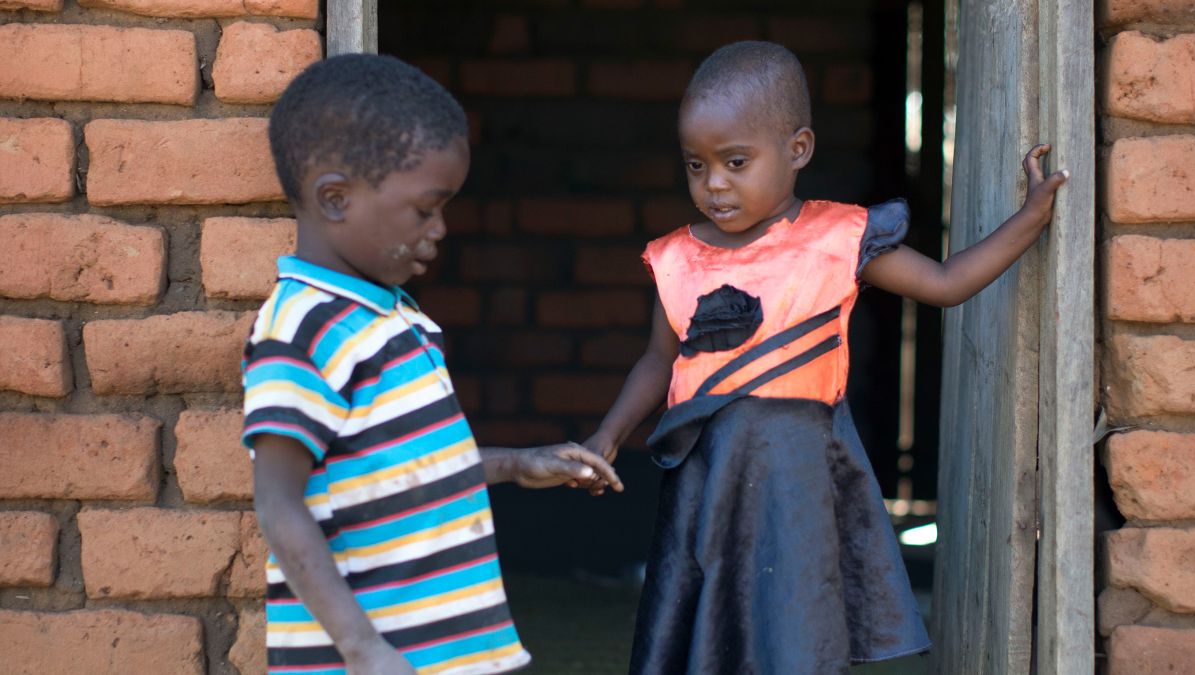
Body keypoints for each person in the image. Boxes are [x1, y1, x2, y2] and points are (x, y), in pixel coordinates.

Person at [578, 41, 1068, 674]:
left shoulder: (840, 239)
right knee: (708, 622)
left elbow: (947, 284)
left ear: (798, 149)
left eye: (735, 161)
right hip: (707, 476)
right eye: (696, 166)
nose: (714, 183)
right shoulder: (677, 258)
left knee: (795, 620)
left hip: (800, 473)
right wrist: (609, 434)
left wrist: (1030, 218)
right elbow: (656, 361)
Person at [242, 54, 624, 675]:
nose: (441, 228)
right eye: (425, 209)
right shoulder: (300, 328)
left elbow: (397, 470)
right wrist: (362, 649)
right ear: (335, 199)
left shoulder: (397, 318)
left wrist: (514, 465)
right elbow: (277, 504)